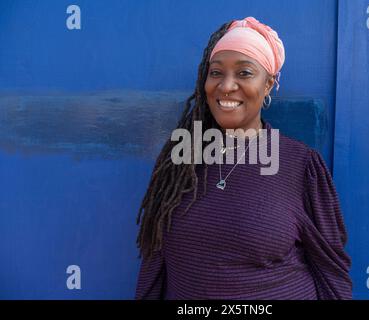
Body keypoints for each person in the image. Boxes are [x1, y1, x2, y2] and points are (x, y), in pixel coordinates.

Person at [135, 17, 352, 300]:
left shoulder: (301, 166)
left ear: (268, 85)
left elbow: (331, 274)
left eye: (245, 73)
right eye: (216, 72)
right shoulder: (178, 163)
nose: (226, 86)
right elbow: (154, 270)